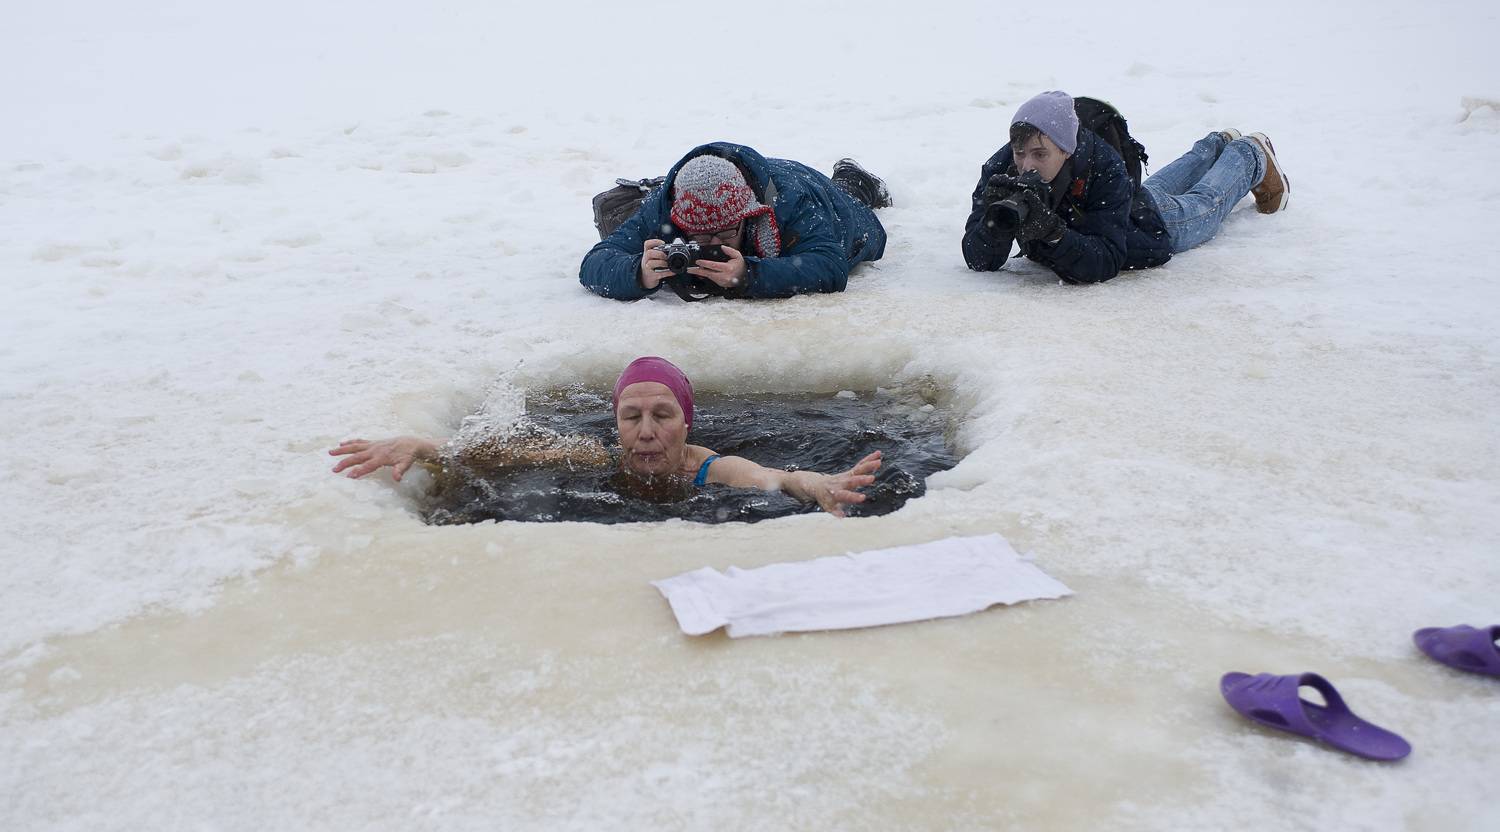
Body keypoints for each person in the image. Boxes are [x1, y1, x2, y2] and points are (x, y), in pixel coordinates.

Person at [330, 357, 884, 518]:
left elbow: (774, 478)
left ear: (686, 423)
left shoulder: (709, 468)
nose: (646, 432)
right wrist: (426, 447)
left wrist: (815, 485)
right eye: (631, 416)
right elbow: (494, 456)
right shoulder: (592, 456)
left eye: (662, 415)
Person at [962, 90, 1290, 284]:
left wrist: (1053, 233)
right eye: (1020, 152)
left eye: (1040, 154)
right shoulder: (1002, 169)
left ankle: (1249, 154)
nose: (1026, 165)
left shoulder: (1104, 166)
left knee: (1205, 202)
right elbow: (978, 260)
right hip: (1126, 202)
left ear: (1066, 149)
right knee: (1156, 189)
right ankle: (1217, 143)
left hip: (1147, 226)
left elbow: (1105, 260)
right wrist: (993, 225)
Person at [579, 142, 892, 300]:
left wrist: (749, 275)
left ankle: (853, 178)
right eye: (703, 237)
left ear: (749, 217)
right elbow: (595, 263)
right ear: (681, 223)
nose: (715, 244)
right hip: (734, 180)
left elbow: (830, 265)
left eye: (728, 232)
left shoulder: (792, 202)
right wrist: (639, 272)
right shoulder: (662, 207)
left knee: (853, 208)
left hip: (814, 190)